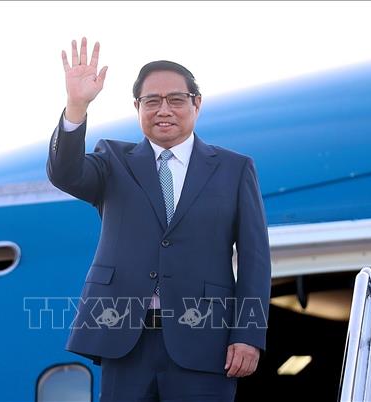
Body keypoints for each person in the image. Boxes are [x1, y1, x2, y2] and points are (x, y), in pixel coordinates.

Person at [47, 37, 271, 402]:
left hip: (204, 339)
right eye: (151, 101)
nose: (163, 109)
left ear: (196, 104)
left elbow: (255, 260)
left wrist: (247, 334)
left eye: (175, 99)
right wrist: (77, 106)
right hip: (124, 337)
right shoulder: (112, 160)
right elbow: (65, 173)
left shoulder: (234, 169)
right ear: (137, 107)